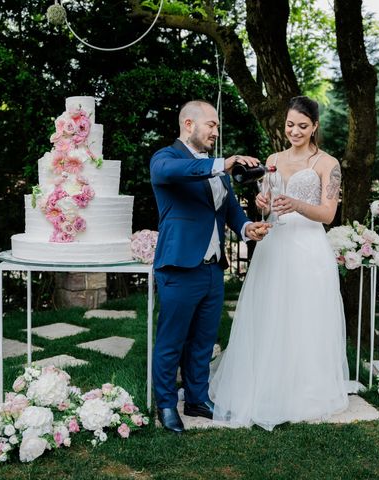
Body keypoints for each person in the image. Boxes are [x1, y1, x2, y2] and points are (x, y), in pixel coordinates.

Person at [209, 96, 350, 430]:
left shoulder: (327, 164)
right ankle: (266, 383)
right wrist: (263, 200)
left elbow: (328, 214)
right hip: (274, 247)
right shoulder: (272, 159)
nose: (295, 131)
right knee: (270, 312)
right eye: (290, 124)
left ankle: (305, 390)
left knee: (304, 316)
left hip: (307, 249)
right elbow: (268, 203)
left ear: (315, 126)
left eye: (302, 126)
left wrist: (297, 204)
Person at [150, 100, 271, 433]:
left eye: (217, 126)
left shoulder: (216, 168)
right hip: (179, 266)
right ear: (189, 124)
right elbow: (173, 173)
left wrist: (248, 229)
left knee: (204, 340)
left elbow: (229, 209)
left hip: (213, 269)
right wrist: (223, 163)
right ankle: (164, 404)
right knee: (171, 340)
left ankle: (197, 399)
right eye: (211, 125)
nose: (216, 131)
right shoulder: (166, 159)